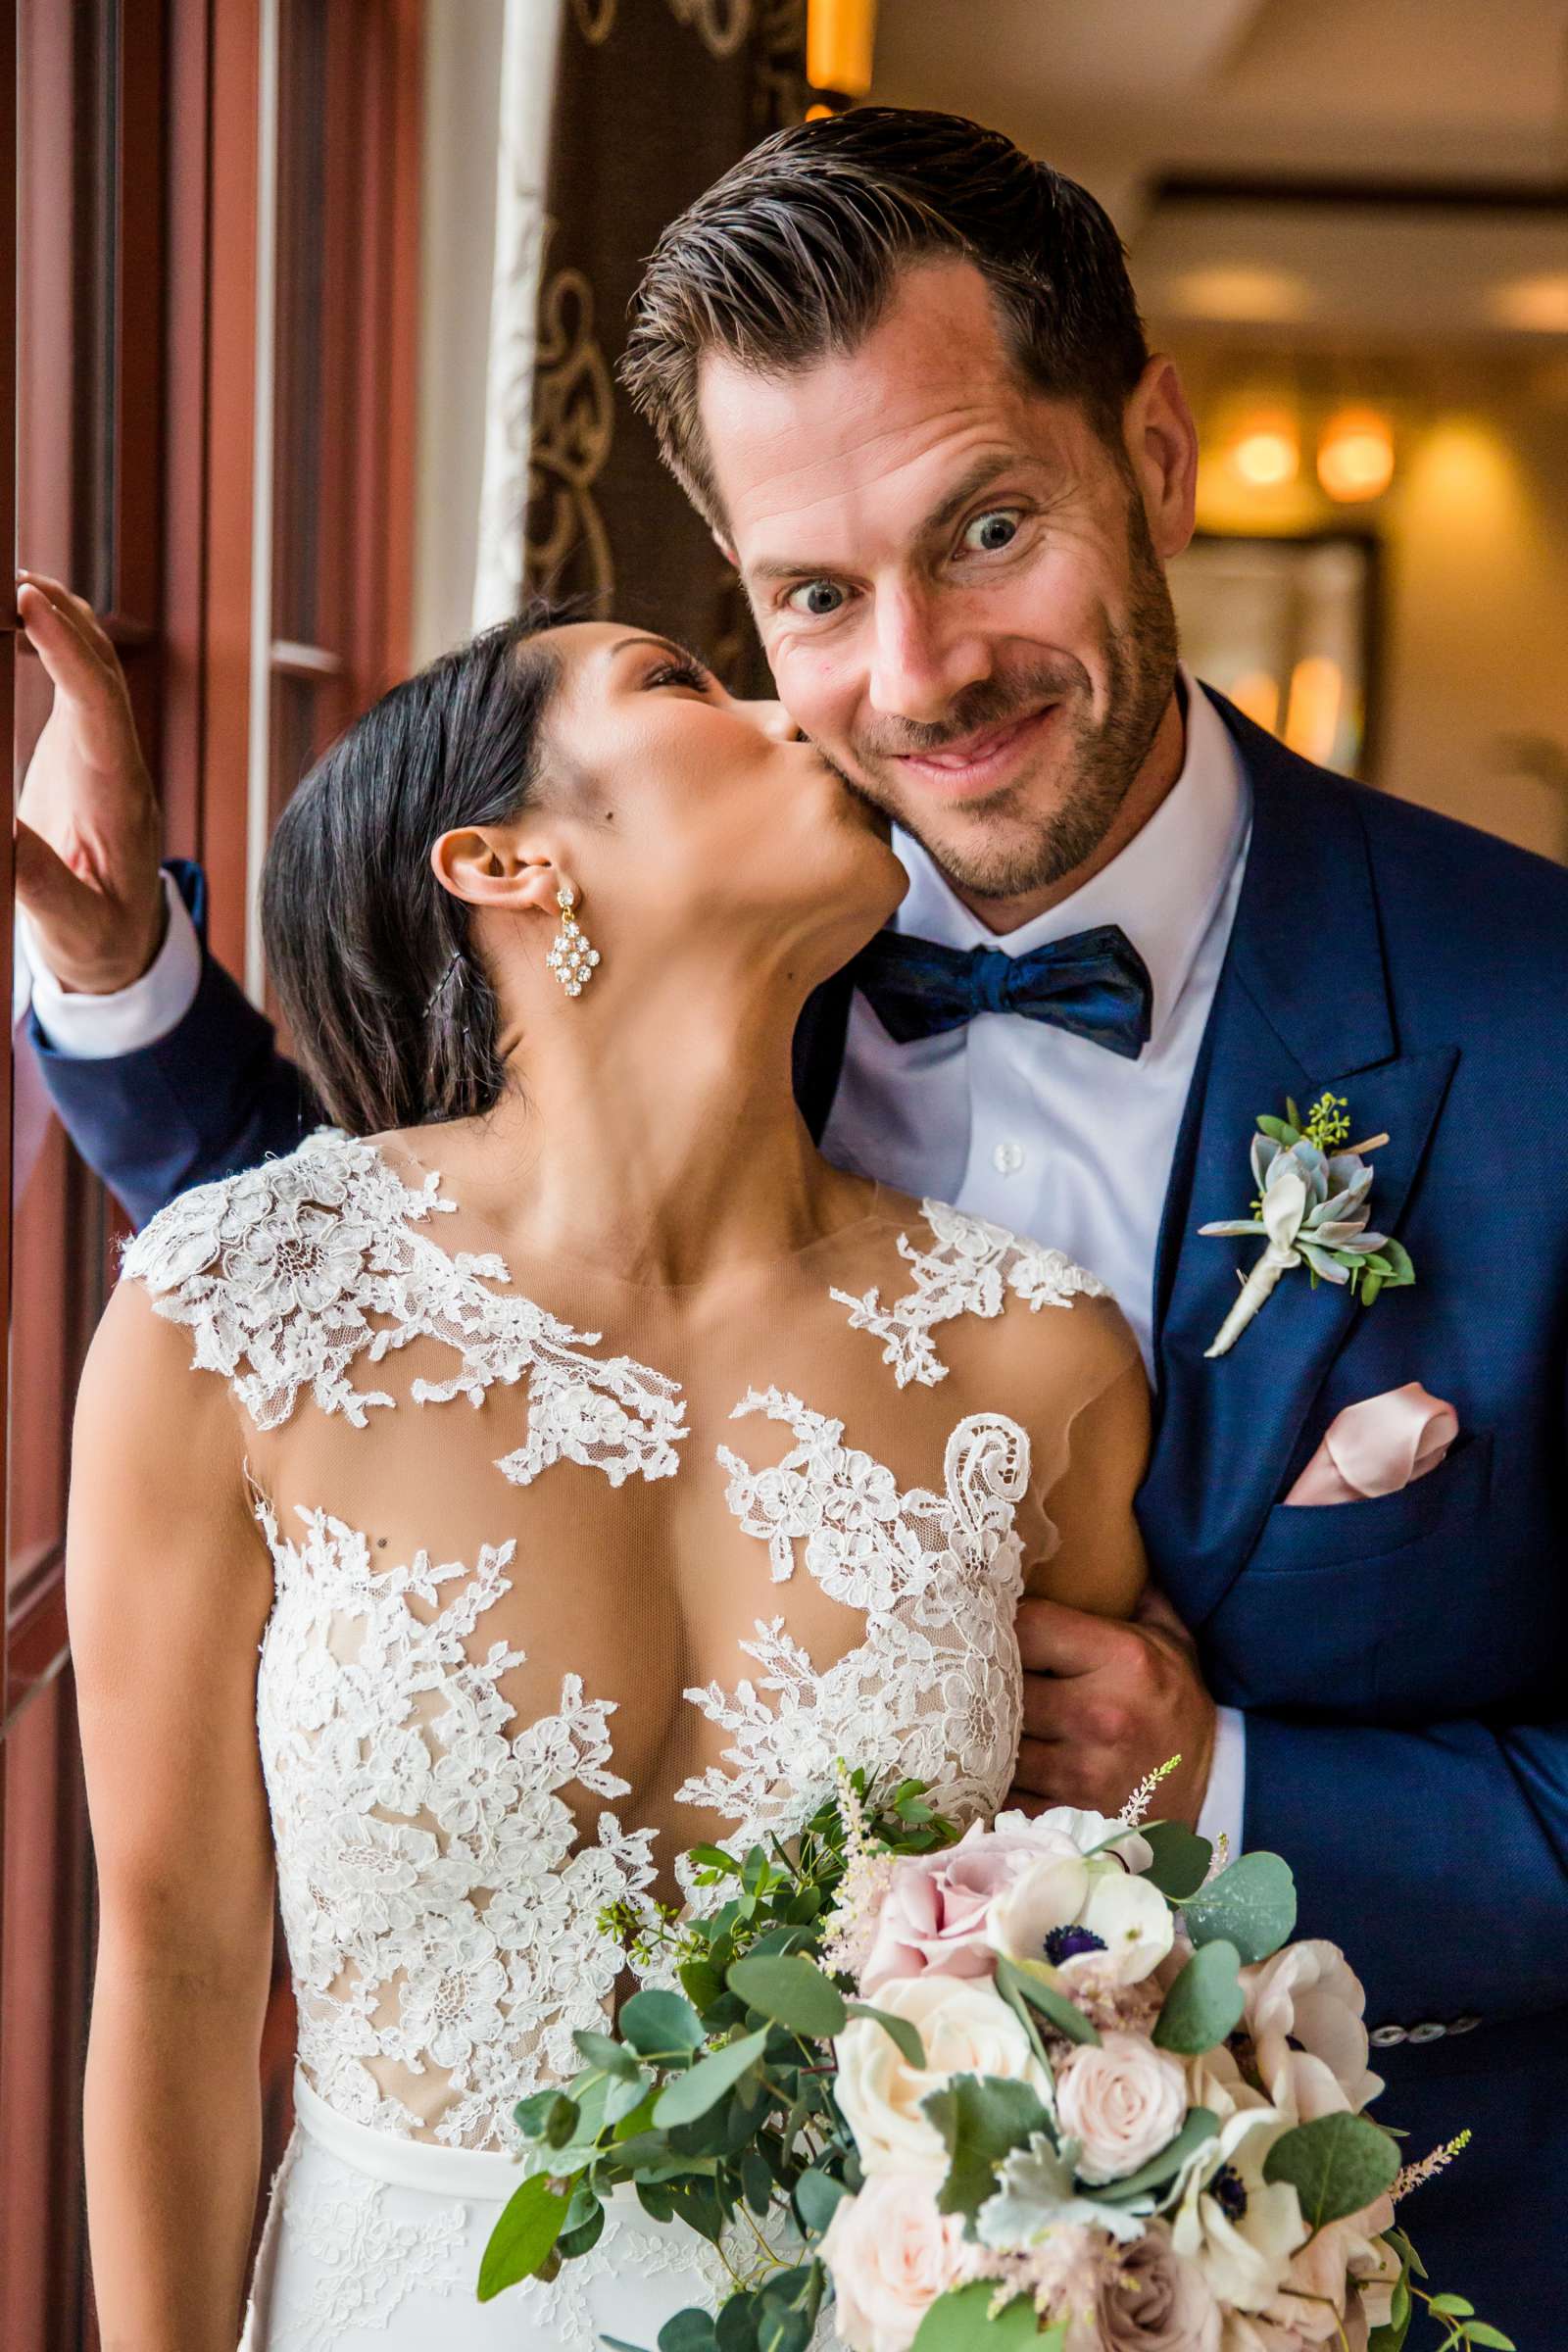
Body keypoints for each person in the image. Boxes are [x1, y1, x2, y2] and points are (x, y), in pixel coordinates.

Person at [20, 109, 1566, 2330]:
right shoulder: (719, 955)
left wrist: (1226, 1791)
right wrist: (120, 994)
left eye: (991, 529)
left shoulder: (1530, 1040)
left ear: (1154, 455)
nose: (913, 676)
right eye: (810, 601)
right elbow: (415, 1293)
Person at [65, 609, 1150, 2347]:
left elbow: (1081, 1965)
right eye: (677, 682)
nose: (797, 705)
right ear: (508, 862)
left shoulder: (1038, 1360)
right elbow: (180, 1975)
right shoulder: (238, 1313)